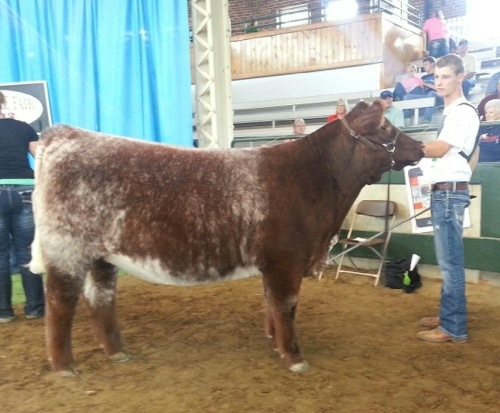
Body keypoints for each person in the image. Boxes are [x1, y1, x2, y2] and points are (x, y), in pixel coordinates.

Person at [417, 54, 480, 343]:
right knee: (449, 261)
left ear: (460, 77)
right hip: (450, 190)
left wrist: (409, 148)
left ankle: (453, 327)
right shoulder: (458, 112)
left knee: (450, 263)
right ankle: (448, 315)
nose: (439, 82)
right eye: (437, 77)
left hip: (449, 193)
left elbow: (441, 148)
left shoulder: (461, 112)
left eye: (445, 76)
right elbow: (472, 154)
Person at [0, 91, 45, 323]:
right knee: (27, 252)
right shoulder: (22, 127)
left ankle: (4, 312)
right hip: (25, 191)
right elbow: (41, 157)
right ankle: (35, 308)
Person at [402, 56, 442, 124]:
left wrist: (426, 84)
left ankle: (426, 120)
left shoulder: (439, 75)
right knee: (406, 97)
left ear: (432, 64)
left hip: (437, 96)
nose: (424, 66)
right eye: (423, 65)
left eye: (426, 64)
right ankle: (407, 119)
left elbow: (440, 89)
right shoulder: (423, 77)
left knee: (431, 93)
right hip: (424, 96)